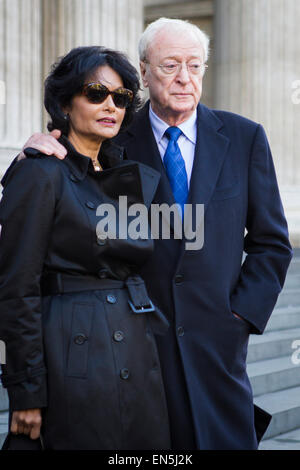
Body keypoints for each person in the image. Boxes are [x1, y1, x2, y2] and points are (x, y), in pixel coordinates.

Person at [3, 18, 293, 450]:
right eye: (170, 65)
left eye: (194, 66)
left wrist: (240, 317)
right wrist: (32, 149)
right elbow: (62, 174)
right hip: (135, 343)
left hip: (218, 342)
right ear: (145, 69)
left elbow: (271, 242)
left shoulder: (244, 137)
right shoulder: (116, 134)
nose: (184, 78)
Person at [0, 45, 171, 450]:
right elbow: (15, 287)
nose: (110, 105)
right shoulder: (41, 172)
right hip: (72, 352)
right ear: (64, 103)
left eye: (121, 98)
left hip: (135, 349)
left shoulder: (123, 176)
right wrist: (26, 390)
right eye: (96, 93)